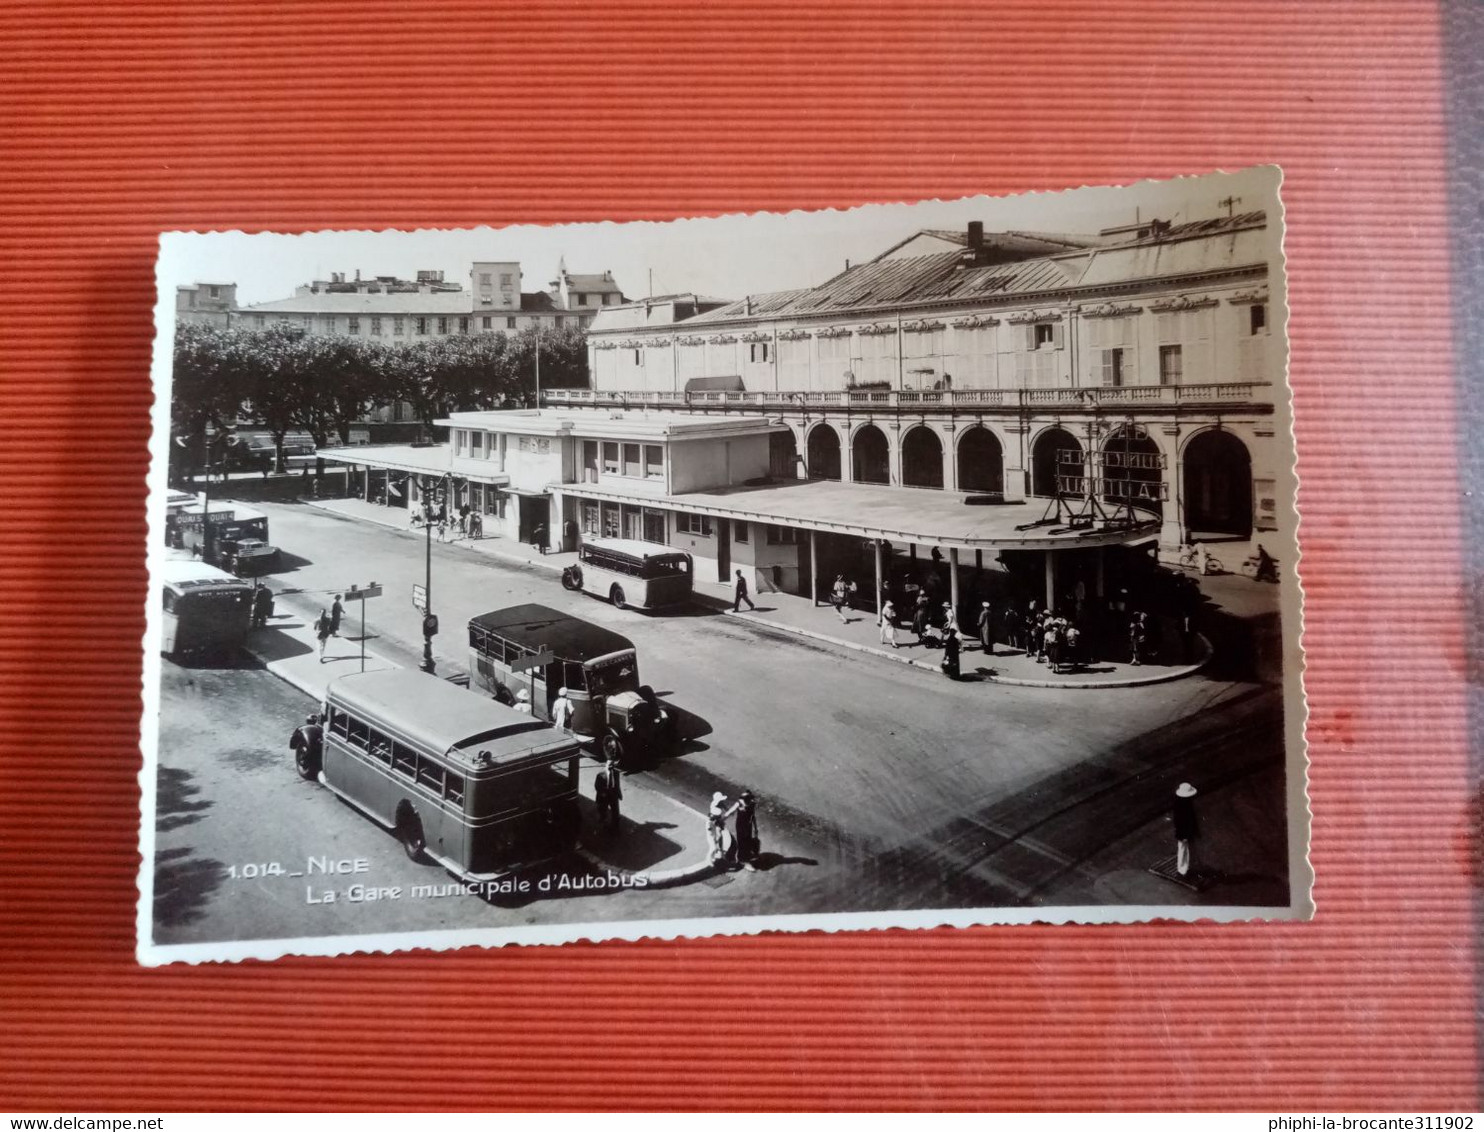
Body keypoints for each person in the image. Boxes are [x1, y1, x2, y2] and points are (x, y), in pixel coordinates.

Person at [1173, 782, 1200, 876]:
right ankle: (1182, 869)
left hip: (1185, 832)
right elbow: (1180, 822)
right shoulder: (1184, 806)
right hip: (1184, 833)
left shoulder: (1181, 804)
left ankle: (1184, 868)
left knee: (1184, 849)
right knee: (1184, 849)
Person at [729, 790, 761, 871]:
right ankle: (743, 861)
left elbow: (752, 816)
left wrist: (755, 828)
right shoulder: (739, 804)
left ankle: (745, 857)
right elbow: (730, 812)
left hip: (748, 826)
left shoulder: (752, 804)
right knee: (742, 843)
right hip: (740, 826)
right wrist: (720, 819)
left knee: (748, 841)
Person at [595, 756, 623, 835]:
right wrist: (602, 793)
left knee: (616, 813)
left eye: (612, 765)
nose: (611, 766)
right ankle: (604, 828)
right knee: (603, 813)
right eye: (609, 765)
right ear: (606, 765)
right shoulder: (600, 775)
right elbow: (597, 786)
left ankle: (615, 829)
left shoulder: (616, 773)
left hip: (613, 795)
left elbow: (617, 784)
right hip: (604, 797)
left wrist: (619, 794)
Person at [708, 791, 733, 865]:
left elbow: (724, 806)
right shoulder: (714, 807)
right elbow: (713, 819)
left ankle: (721, 853)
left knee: (720, 837)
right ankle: (714, 856)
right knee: (717, 839)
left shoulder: (720, 803)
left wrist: (727, 810)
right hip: (715, 822)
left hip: (718, 821)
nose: (722, 801)